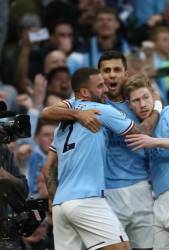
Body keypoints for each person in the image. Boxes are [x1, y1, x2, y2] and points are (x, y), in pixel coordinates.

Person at [42, 51, 160, 250]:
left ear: (126, 73)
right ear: (86, 91)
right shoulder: (99, 109)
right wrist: (157, 107)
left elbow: (49, 168)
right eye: (103, 77)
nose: (108, 82)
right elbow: (141, 132)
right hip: (92, 196)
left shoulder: (63, 123)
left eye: (116, 70)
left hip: (64, 202)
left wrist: (54, 202)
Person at [121, 74, 169, 250]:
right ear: (129, 105)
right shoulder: (137, 128)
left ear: (154, 96)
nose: (142, 104)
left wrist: (155, 142)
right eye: (136, 100)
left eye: (145, 97)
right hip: (158, 201)